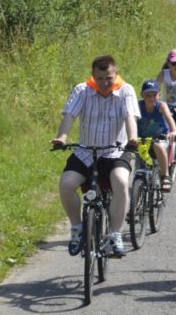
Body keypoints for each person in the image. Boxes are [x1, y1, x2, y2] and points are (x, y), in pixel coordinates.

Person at [52, 55, 139, 258]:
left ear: (116, 74)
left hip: (115, 150)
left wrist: (132, 139)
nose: (104, 83)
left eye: (109, 78)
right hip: (86, 151)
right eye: (99, 79)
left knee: (120, 181)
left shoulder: (126, 90)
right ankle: (77, 228)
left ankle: (115, 235)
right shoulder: (82, 90)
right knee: (66, 184)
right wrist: (62, 137)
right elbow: (69, 116)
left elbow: (130, 117)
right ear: (93, 76)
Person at [138, 79, 176, 192]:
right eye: (147, 95)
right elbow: (130, 121)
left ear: (159, 95)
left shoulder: (161, 106)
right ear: (142, 95)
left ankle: (165, 176)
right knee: (138, 164)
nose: (151, 98)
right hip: (142, 139)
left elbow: (170, 120)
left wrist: (173, 131)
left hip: (161, 138)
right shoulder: (138, 106)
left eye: (154, 95)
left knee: (158, 145)